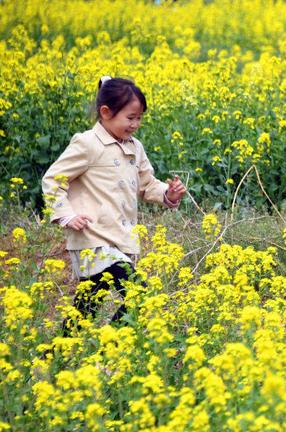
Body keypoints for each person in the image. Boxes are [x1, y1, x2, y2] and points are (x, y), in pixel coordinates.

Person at [42, 76, 187, 334]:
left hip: (120, 240)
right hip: (93, 240)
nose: (135, 125)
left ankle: (52, 361)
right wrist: (65, 215)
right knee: (140, 295)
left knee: (85, 309)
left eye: (139, 118)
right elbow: (54, 179)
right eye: (130, 118)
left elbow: (146, 184)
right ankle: (109, 351)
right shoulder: (87, 143)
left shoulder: (135, 147)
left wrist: (169, 194)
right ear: (106, 112)